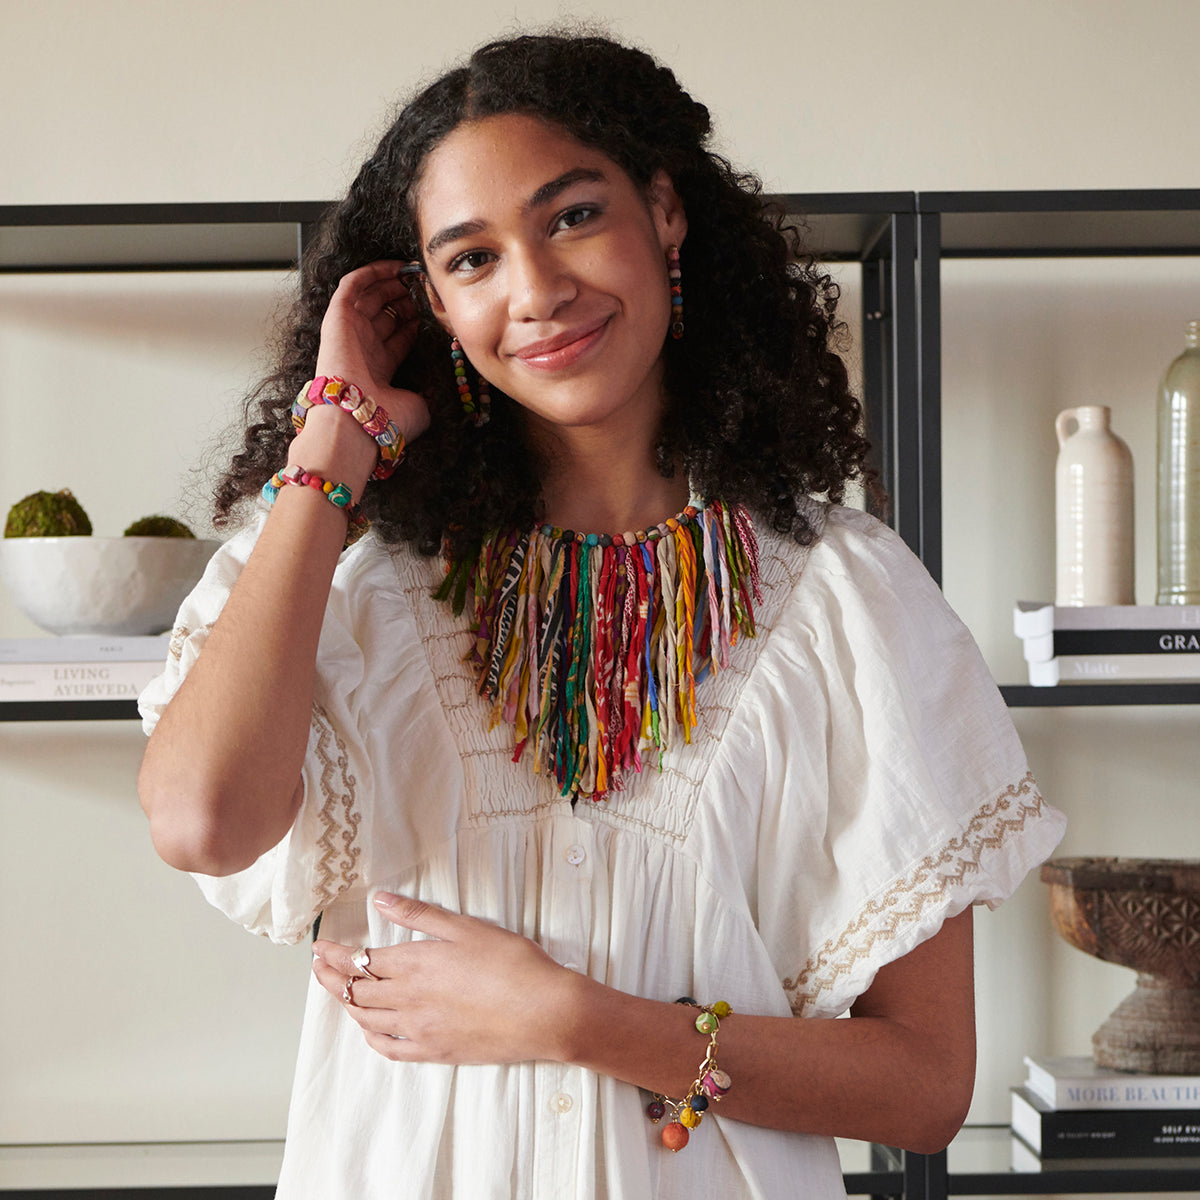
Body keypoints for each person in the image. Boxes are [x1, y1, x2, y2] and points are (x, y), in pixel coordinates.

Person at [137, 31, 1066, 1200]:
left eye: (571, 216)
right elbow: (202, 822)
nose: (535, 291)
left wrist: (578, 1019)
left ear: (666, 211)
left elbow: (925, 1087)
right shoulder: (351, 585)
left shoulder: (846, 601)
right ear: (429, 303)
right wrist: (331, 444)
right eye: (470, 260)